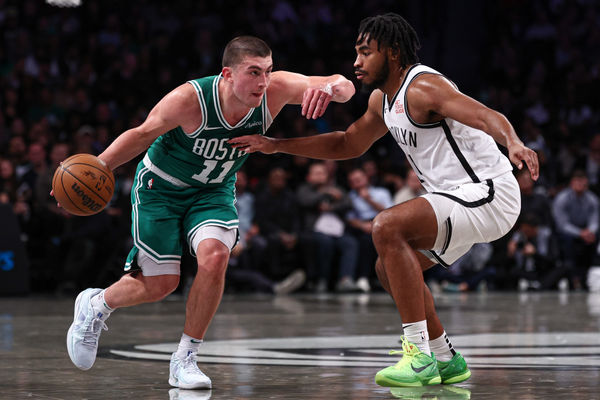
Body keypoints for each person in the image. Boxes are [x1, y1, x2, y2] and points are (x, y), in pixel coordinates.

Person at [229, 13, 539, 387]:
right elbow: (348, 143)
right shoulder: (382, 99)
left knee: (387, 225)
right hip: (457, 199)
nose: (356, 63)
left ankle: (418, 357)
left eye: (366, 53)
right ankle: (445, 357)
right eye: (356, 53)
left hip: (491, 193)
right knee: (386, 268)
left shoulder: (423, 88)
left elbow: (485, 114)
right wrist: (276, 146)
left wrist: (515, 142)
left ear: (392, 53)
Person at [56, 36, 355, 389]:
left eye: (268, 71)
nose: (263, 82)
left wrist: (334, 87)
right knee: (161, 284)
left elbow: (344, 84)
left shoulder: (275, 90)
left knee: (214, 257)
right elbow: (140, 135)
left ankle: (185, 357)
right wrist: (92, 171)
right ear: (227, 74)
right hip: (161, 189)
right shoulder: (190, 99)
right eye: (254, 72)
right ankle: (97, 304)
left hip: (213, 191)